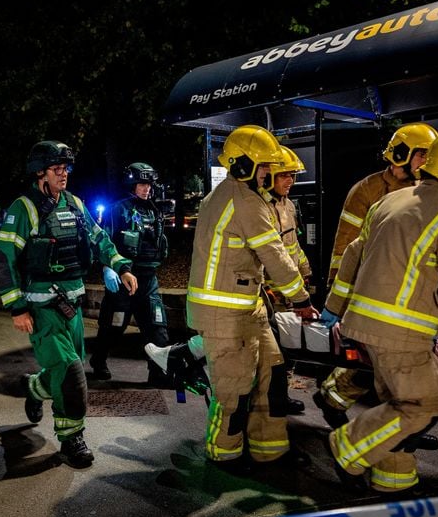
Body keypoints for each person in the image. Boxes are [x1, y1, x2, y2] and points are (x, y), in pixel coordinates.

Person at [322, 127, 438, 495]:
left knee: (396, 400)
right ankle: (347, 448)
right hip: (401, 329)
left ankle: (393, 479)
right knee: (420, 405)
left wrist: (335, 307)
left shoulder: (390, 201)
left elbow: (353, 255)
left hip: (362, 321)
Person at [0, 140, 138, 468]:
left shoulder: (74, 204)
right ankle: (71, 439)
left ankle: (32, 387)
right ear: (39, 173)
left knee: (62, 370)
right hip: (43, 311)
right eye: (57, 169)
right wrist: (17, 307)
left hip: (73, 305)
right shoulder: (23, 209)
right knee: (71, 375)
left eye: (66, 169)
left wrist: (120, 265)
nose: (64, 174)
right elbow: (2, 260)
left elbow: (99, 239)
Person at [186, 124, 316, 470]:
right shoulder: (242, 200)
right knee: (235, 389)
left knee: (272, 374)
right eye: (264, 167)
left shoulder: (230, 196)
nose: (268, 174)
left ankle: (269, 448)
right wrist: (301, 299)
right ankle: (223, 453)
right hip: (225, 313)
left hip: (247, 307)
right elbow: (273, 252)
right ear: (243, 165)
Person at [314, 123, 438, 429]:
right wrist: (338, 297)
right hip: (371, 290)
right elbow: (347, 246)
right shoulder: (367, 191)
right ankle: (385, 426)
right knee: (379, 358)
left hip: (408, 291)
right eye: (423, 155)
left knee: (390, 361)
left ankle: (347, 404)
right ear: (403, 155)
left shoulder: (429, 191)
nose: (427, 162)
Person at [89, 162, 170, 385]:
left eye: (149, 185)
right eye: (142, 184)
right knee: (114, 327)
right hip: (123, 279)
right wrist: (107, 269)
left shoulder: (154, 210)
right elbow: (104, 240)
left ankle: (158, 373)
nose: (147, 189)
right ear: (132, 185)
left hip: (148, 279)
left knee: (157, 329)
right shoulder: (118, 210)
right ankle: (98, 360)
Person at [261, 145, 312, 415]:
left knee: (286, 349)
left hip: (289, 290)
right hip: (271, 293)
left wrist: (305, 270)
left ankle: (280, 396)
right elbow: (270, 255)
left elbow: (292, 247)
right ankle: (274, 400)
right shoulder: (261, 207)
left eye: (293, 175)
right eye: (284, 175)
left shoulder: (288, 205)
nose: (290, 181)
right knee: (275, 352)